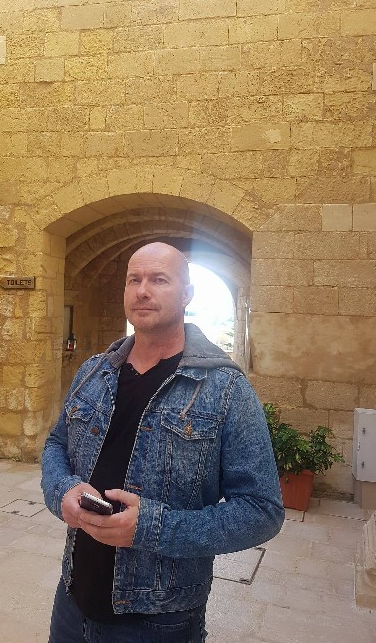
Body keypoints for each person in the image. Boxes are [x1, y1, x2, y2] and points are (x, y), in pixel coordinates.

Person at [41, 242, 284, 643]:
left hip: (159, 621)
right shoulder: (94, 372)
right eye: (133, 280)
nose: (142, 291)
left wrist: (154, 528)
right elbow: (56, 444)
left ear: (187, 294)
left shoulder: (225, 389)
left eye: (158, 280)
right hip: (72, 602)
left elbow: (262, 511)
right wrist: (62, 490)